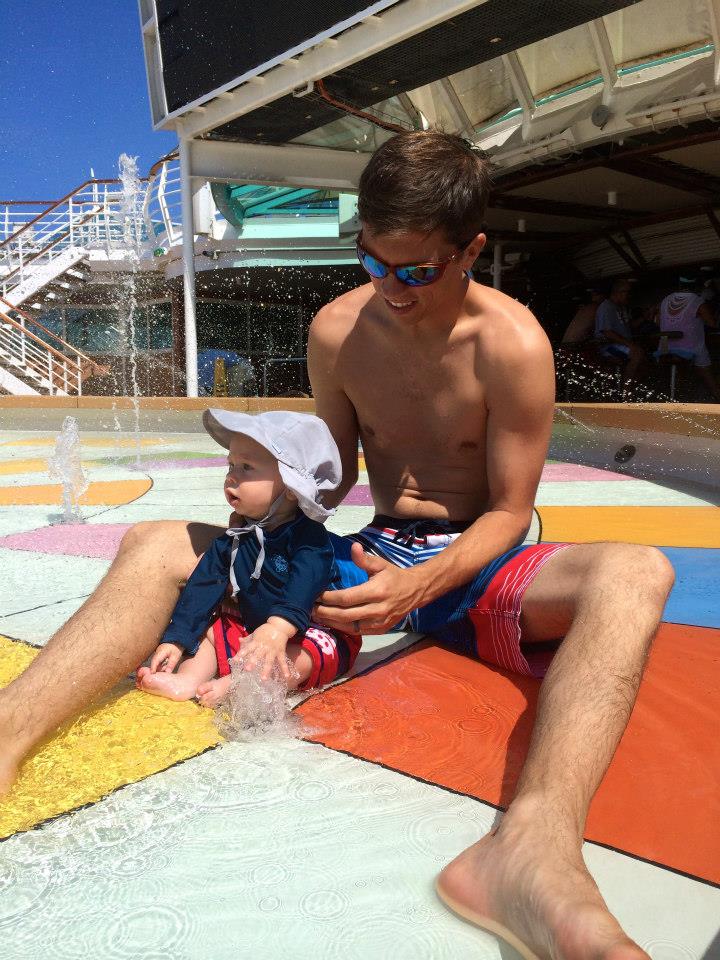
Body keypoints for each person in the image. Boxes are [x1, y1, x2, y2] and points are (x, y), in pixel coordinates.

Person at [0, 131, 674, 960]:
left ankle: (533, 850)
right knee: (155, 540)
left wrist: (420, 589)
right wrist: (269, 525)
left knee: (637, 570)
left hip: (478, 557)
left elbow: (509, 511)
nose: (392, 289)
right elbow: (326, 481)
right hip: (377, 549)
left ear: (472, 250)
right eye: (373, 262)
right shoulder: (337, 330)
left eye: (418, 270)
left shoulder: (514, 344)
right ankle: (7, 733)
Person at [136, 408, 361, 706]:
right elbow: (202, 588)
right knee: (211, 629)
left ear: (293, 488)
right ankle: (189, 679)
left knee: (308, 653)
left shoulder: (309, 540)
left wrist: (279, 628)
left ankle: (239, 683)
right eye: (230, 465)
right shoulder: (234, 539)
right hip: (258, 631)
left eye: (246, 468)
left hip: (312, 630)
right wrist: (176, 639)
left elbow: (304, 585)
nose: (231, 476)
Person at [656, 276, 720, 401]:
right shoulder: (697, 300)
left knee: (678, 370)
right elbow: (712, 323)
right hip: (687, 348)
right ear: (695, 287)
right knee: (704, 365)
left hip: (663, 348)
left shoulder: (665, 299)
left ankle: (676, 393)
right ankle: (716, 393)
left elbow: (658, 322)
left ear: (679, 286)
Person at [594, 279, 647, 379]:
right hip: (607, 346)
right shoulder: (606, 307)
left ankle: (630, 385)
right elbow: (607, 333)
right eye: (627, 292)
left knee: (643, 355)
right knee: (637, 353)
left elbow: (630, 326)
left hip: (621, 345)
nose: (629, 295)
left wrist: (644, 317)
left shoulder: (622, 307)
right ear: (618, 292)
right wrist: (630, 344)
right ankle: (626, 391)